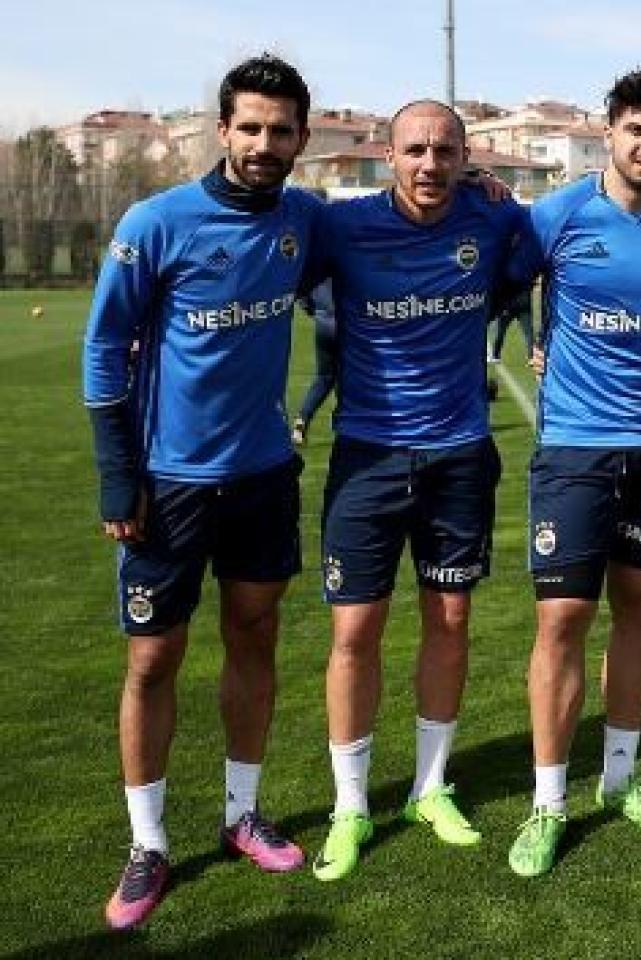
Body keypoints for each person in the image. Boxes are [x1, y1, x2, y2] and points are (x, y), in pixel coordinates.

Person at [81, 54, 318, 929]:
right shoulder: (157, 221)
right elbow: (105, 349)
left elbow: (379, 230)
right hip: (168, 484)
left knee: (254, 635)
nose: (264, 144)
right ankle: (147, 843)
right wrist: (118, 472)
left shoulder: (304, 221)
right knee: (152, 659)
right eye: (250, 127)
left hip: (261, 474)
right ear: (222, 130)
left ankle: (239, 815)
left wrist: (476, 192)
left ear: (301, 137)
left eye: (280, 130)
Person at [305, 99, 527, 881]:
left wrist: (498, 189)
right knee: (354, 632)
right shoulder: (340, 226)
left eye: (445, 150)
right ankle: (350, 805)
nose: (430, 164)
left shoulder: (494, 218)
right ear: (388, 155)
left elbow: (546, 256)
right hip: (367, 457)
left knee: (451, 618)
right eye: (415, 150)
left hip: (461, 457)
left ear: (466, 157)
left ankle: (430, 789)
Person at [506, 69, 641, 877]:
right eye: (637, 131)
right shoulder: (556, 214)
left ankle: (619, 782)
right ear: (608, 133)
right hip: (575, 448)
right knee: (561, 620)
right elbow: (491, 278)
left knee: (639, 608)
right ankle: (548, 802)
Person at [291, 280, 337, 445]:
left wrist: (315, 313)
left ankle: (302, 420)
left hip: (323, 323)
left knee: (324, 377)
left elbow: (301, 293)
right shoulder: (350, 258)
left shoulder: (319, 261)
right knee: (352, 378)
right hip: (347, 323)